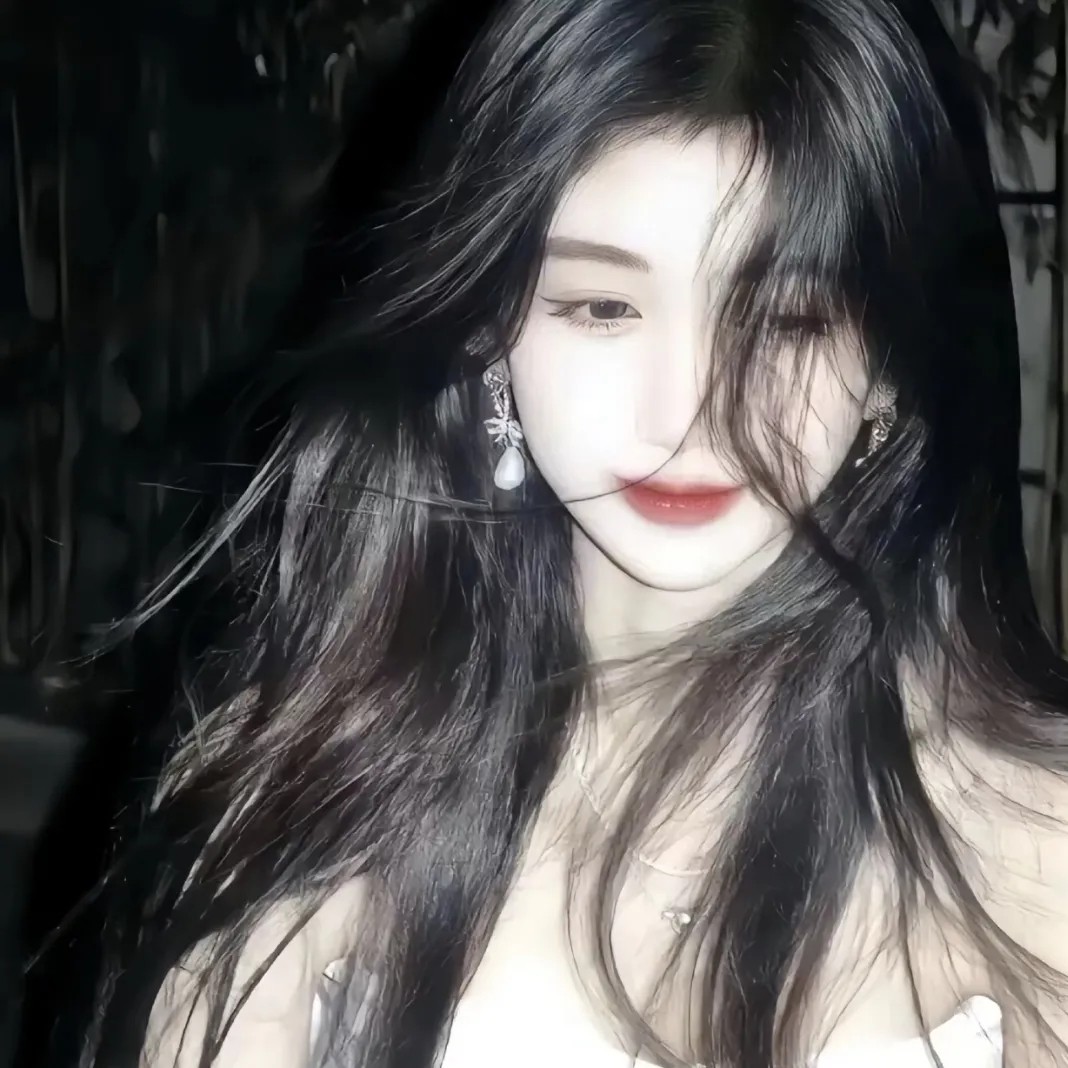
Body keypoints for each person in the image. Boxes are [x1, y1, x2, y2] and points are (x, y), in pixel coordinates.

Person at [69, 0, 1068, 1065]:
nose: (684, 413)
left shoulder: (1029, 832)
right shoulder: (306, 780)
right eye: (601, 307)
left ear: (891, 370)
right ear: (487, 329)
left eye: (784, 320)